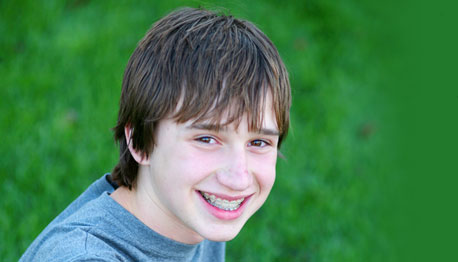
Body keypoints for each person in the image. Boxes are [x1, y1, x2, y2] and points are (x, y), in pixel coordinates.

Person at [20, 7, 291, 261]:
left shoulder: (195, 209)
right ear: (140, 142)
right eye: (206, 139)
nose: (238, 178)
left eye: (258, 142)